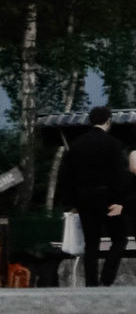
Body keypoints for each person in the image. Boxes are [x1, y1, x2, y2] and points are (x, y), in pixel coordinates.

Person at [59, 107, 132, 288]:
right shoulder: (112, 143)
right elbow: (119, 174)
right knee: (119, 239)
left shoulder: (77, 145)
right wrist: (120, 201)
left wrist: (72, 203)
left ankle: (91, 284)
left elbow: (66, 176)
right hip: (107, 196)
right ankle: (106, 279)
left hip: (84, 198)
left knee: (91, 242)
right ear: (108, 121)